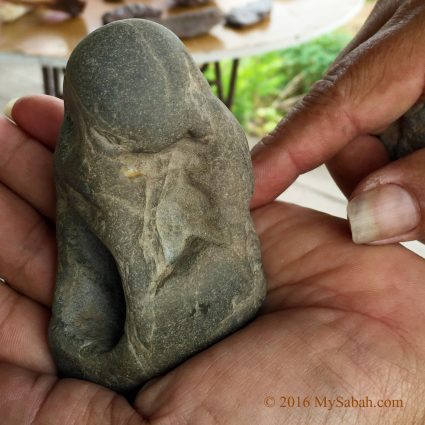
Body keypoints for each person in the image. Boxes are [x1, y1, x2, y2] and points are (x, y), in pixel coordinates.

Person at [0, 0, 425, 423]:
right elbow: (98, 226)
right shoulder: (95, 160)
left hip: (204, 277)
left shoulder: (206, 137)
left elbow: (226, 186)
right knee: (115, 251)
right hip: (151, 289)